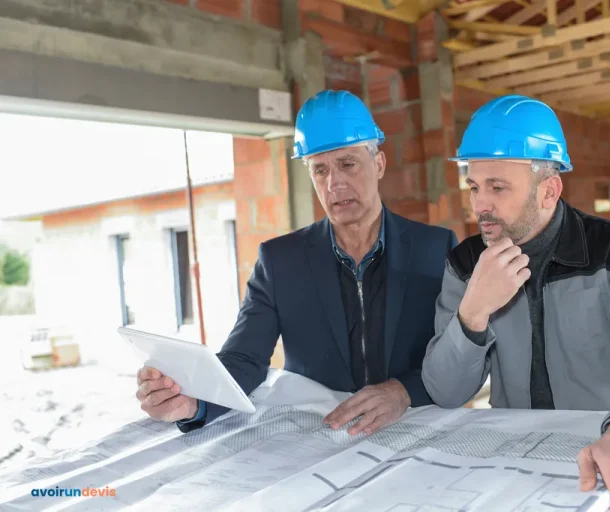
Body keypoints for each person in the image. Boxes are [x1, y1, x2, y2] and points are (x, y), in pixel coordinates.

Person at [421, 95, 610, 511]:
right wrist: (473, 313)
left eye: (497, 188)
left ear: (549, 190)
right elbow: (444, 391)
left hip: (606, 450)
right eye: (475, 187)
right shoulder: (466, 265)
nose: (480, 205)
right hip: (514, 464)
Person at [135, 89, 458, 436]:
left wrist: (404, 391)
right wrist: (195, 404)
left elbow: (459, 357)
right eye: (320, 169)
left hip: (416, 429)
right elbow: (244, 359)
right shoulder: (280, 261)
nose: (335, 183)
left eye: (347, 163)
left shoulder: (435, 249)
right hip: (322, 436)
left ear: (378, 163)